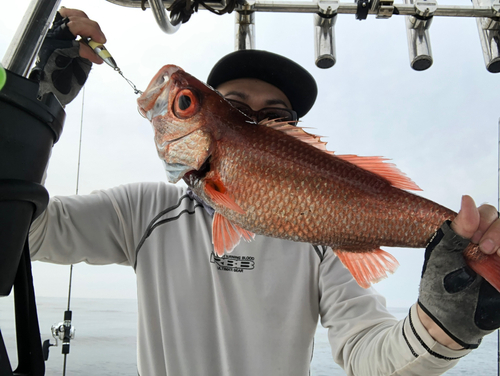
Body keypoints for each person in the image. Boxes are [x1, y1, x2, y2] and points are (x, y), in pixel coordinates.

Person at [28, 7, 500, 376]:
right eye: (234, 108)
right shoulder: (143, 211)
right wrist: (35, 107)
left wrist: (444, 326)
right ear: (220, 130)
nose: (258, 123)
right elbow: (29, 233)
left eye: (277, 117)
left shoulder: (324, 242)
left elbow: (368, 354)